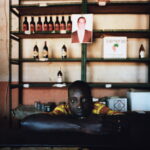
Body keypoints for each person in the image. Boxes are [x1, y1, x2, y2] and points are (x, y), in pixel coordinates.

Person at [50, 80, 122, 118]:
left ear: (91, 100)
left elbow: (119, 116)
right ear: (68, 102)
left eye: (84, 100)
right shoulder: (63, 109)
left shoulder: (97, 108)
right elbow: (42, 119)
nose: (79, 106)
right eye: (73, 100)